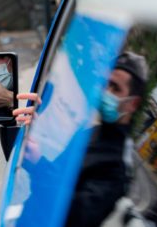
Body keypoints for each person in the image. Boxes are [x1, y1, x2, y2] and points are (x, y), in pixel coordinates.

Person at [13, 51, 149, 227]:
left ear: (133, 103)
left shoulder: (118, 165)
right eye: (105, 84)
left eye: (115, 88)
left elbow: (76, 215)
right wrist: (34, 158)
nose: (106, 92)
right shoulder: (92, 132)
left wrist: (39, 164)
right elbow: (59, 175)